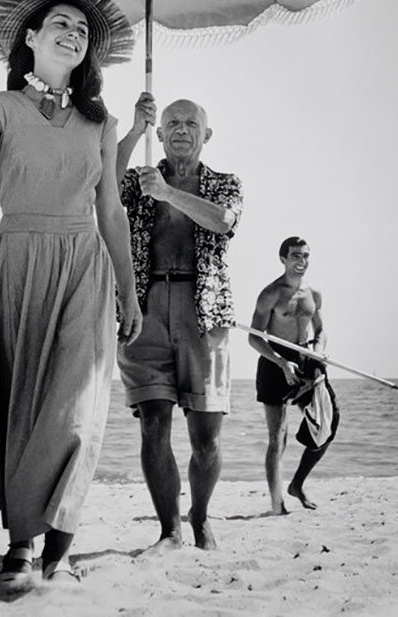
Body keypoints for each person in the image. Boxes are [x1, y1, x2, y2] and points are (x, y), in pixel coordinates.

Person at [0, 0, 142, 585]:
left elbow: (110, 211)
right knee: (24, 405)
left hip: (84, 264)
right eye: (61, 23)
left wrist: (129, 290)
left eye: (82, 30)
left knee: (78, 409)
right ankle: (22, 541)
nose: (73, 33)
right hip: (19, 260)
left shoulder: (100, 124)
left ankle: (61, 539)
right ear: (30, 37)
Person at [115, 92, 243, 553]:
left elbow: (223, 223)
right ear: (161, 133)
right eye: (172, 123)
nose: (182, 130)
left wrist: (168, 193)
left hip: (203, 310)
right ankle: (168, 530)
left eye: (191, 123)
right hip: (145, 306)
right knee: (153, 422)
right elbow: (101, 186)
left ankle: (201, 517)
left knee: (206, 435)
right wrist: (133, 131)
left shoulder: (225, 183)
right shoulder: (140, 180)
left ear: (206, 134)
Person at [249, 236, 339, 515]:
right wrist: (280, 362)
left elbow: (321, 330)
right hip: (275, 361)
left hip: (306, 357)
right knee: (278, 436)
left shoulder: (314, 293)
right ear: (283, 259)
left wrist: (319, 350)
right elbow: (254, 338)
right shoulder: (271, 293)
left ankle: (297, 484)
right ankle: (277, 504)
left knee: (328, 425)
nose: (302, 261)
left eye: (306, 256)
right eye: (296, 256)